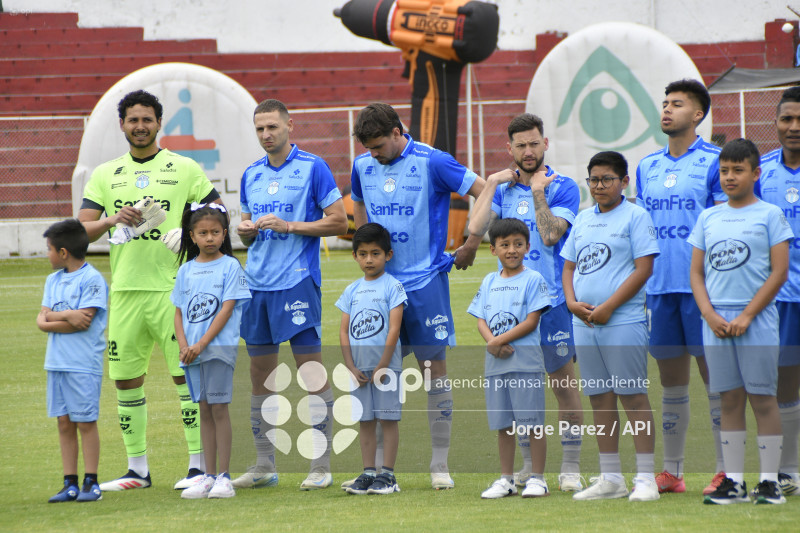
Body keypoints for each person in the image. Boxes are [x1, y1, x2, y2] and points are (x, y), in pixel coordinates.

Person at [78, 90, 221, 491]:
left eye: (147, 119)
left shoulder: (184, 167)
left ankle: (197, 466)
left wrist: (190, 233)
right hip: (125, 293)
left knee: (186, 378)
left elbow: (221, 212)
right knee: (125, 380)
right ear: (121, 124)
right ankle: (137, 469)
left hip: (175, 293)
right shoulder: (106, 174)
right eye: (132, 120)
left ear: (160, 123)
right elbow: (80, 229)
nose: (140, 126)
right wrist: (109, 220)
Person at [349, 102, 485, 489]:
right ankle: (376, 471)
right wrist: (366, 249)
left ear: (396, 131)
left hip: (424, 283)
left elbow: (482, 190)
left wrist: (472, 242)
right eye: (368, 147)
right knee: (375, 373)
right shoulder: (362, 166)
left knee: (433, 372)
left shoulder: (434, 161)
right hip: (380, 287)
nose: (372, 154)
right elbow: (358, 201)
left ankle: (439, 464)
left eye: (377, 146)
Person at [233, 99, 347, 491]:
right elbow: (246, 225)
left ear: (289, 126)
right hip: (257, 285)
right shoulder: (250, 173)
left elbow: (339, 222)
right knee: (260, 376)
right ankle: (265, 464)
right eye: (260, 129)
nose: (266, 135)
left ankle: (321, 465)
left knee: (310, 372)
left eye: (273, 127)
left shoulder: (313, 167)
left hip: (297, 282)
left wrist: (290, 225)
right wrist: (246, 231)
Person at [468, 113, 585, 491]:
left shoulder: (563, 186)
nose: (528, 150)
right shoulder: (502, 189)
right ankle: (526, 466)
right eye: (520, 145)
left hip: (551, 307)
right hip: (510, 311)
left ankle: (569, 465)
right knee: (518, 390)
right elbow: (477, 230)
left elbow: (550, 237)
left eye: (534, 143)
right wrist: (491, 185)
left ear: (545, 144)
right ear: (510, 148)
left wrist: (537, 191)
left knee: (563, 385)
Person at [635, 79, 726, 495]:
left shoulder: (715, 162)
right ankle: (672, 472)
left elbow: (724, 228)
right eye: (665, 103)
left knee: (716, 379)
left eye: (678, 104)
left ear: (699, 115)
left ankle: (726, 468)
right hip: (658, 290)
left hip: (703, 290)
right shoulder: (647, 166)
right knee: (671, 382)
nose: (667, 110)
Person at [690, 139, 793, 505]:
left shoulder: (770, 215)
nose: (730, 177)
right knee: (729, 401)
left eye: (738, 170)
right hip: (715, 321)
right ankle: (733, 481)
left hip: (757, 320)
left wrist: (748, 314)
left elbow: (779, 273)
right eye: (724, 171)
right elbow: (697, 275)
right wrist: (709, 314)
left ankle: (769, 482)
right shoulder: (708, 217)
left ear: (755, 173)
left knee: (763, 400)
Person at [562, 151, 660, 502]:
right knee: (600, 399)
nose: (599, 186)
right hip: (584, 323)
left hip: (623, 321)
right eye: (594, 180)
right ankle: (611, 478)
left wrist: (608, 307)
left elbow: (643, 269)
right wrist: (572, 303)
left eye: (607, 180)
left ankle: (646, 478)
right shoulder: (583, 218)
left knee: (632, 397)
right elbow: (569, 267)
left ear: (624, 182)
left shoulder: (636, 216)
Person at [467, 218, 552, 499]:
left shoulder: (533, 279)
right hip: (496, 366)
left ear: (528, 247)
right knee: (503, 425)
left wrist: (498, 341)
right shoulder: (489, 280)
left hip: (525, 364)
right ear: (493, 250)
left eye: (518, 244)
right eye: (505, 245)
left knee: (532, 423)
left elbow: (531, 321)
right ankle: (506, 479)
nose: (512, 250)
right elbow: (480, 318)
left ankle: (538, 478)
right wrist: (492, 342)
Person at [171, 204, 251, 499]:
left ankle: (224, 477)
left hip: (217, 350)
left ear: (224, 234)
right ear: (191, 236)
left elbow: (227, 309)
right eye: (203, 233)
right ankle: (207, 474)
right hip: (191, 353)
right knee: (203, 409)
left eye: (215, 233)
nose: (209, 238)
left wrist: (201, 344)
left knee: (219, 408)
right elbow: (178, 313)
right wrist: (183, 346)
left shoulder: (231, 266)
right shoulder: (186, 270)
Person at [37, 219, 108, 503]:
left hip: (82, 363)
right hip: (56, 363)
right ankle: (70, 483)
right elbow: (42, 321)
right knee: (64, 422)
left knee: (85, 422)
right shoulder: (52, 281)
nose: (47, 254)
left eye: (49, 249)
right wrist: (66, 314)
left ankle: (91, 482)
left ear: (63, 252)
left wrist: (52, 317)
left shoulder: (92, 279)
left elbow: (83, 322)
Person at [337, 223, 407, 495]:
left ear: (388, 255)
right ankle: (368, 472)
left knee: (388, 419)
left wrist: (383, 365)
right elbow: (343, 331)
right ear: (354, 256)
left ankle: (388, 475)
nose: (369, 259)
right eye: (363, 253)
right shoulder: (351, 290)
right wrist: (350, 366)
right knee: (365, 421)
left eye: (375, 253)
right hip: (359, 370)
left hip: (386, 369)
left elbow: (394, 328)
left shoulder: (393, 286)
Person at [758, 86, 800, 496]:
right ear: (775, 122)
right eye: (787, 119)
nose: (793, 127)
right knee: (784, 386)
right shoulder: (762, 172)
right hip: (781, 298)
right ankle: (789, 470)